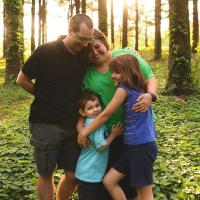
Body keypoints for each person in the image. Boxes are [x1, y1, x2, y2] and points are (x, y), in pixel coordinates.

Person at [16, 14, 94, 200]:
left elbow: (104, 49)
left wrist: (130, 52)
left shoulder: (84, 52)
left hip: (72, 123)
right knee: (46, 173)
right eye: (81, 39)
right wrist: (44, 94)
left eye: (88, 39)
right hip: (45, 123)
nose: (85, 44)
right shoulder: (46, 51)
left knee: (73, 175)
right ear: (69, 31)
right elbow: (22, 79)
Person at [77, 29, 157, 200]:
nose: (95, 52)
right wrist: (81, 127)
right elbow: (85, 106)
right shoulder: (87, 73)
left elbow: (150, 77)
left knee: (137, 187)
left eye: (97, 46)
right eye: (89, 50)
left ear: (105, 43)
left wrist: (151, 95)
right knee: (110, 182)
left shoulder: (125, 58)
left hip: (139, 138)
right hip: (113, 134)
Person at [75, 90, 123, 200]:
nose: (95, 109)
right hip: (89, 174)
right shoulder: (95, 125)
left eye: (97, 105)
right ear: (82, 112)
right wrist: (113, 134)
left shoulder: (90, 122)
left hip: (91, 173)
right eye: (90, 108)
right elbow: (101, 147)